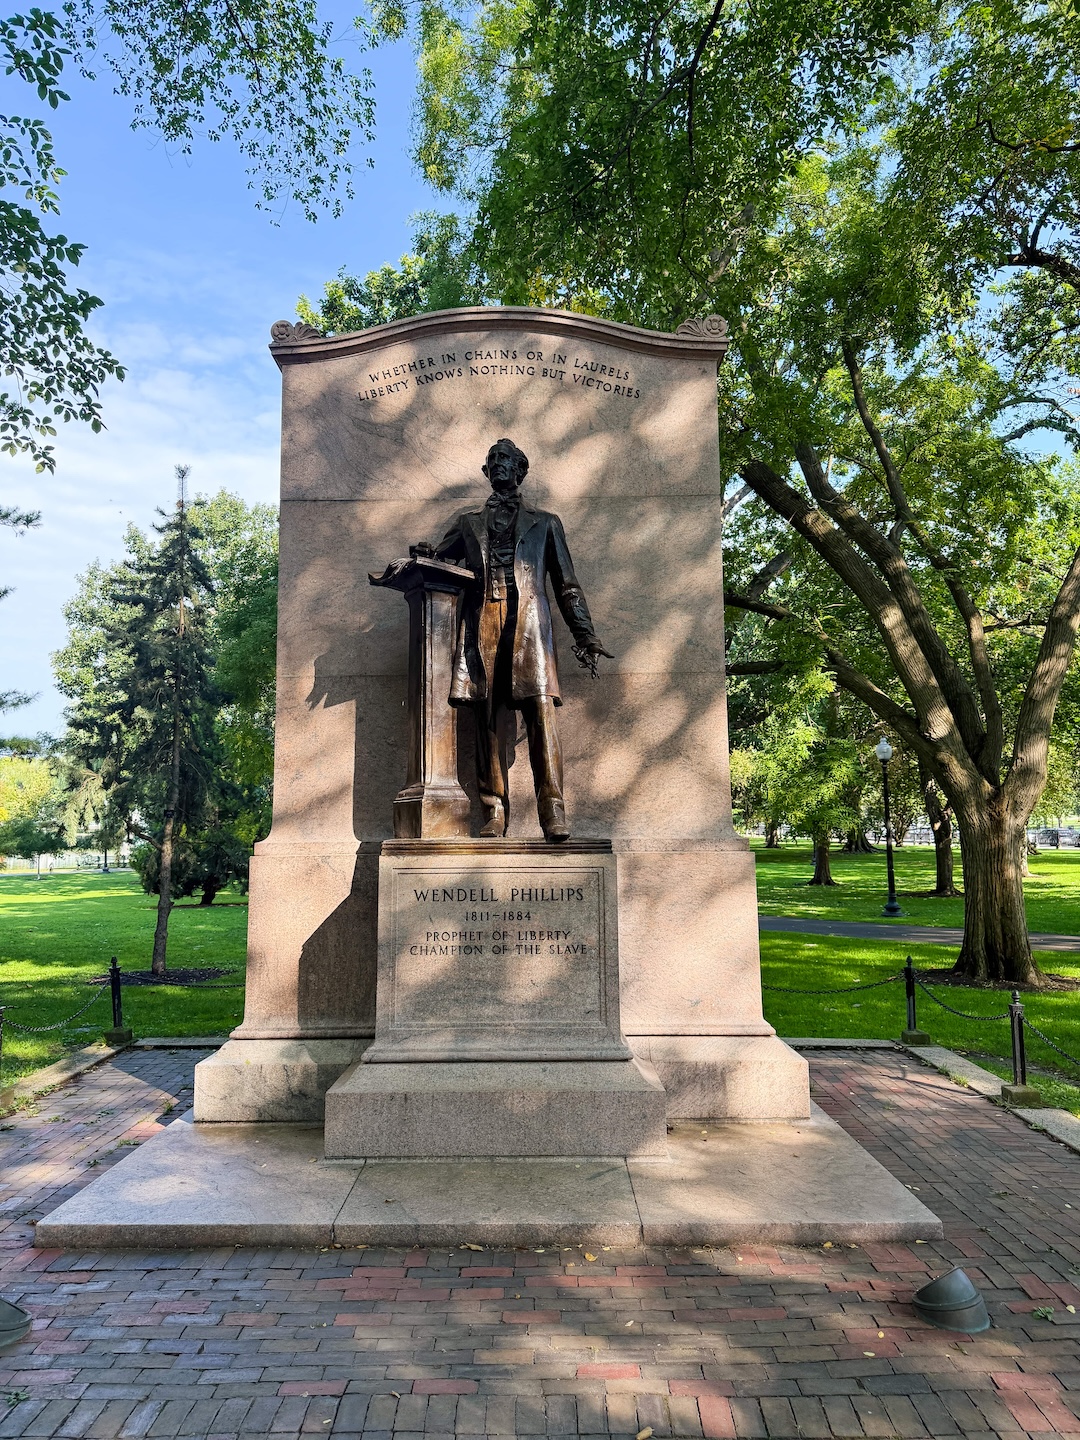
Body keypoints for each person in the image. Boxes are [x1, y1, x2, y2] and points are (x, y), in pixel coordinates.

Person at [417, 438, 612, 842]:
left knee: (541, 715)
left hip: (530, 625)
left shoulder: (546, 522)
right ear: (486, 473)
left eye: (506, 459)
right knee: (489, 721)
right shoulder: (467, 522)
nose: (499, 464)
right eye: (492, 461)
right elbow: (441, 557)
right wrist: (425, 554)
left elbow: (567, 585)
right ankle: (493, 813)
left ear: (520, 470)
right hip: (482, 621)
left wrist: (585, 634)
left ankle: (553, 812)